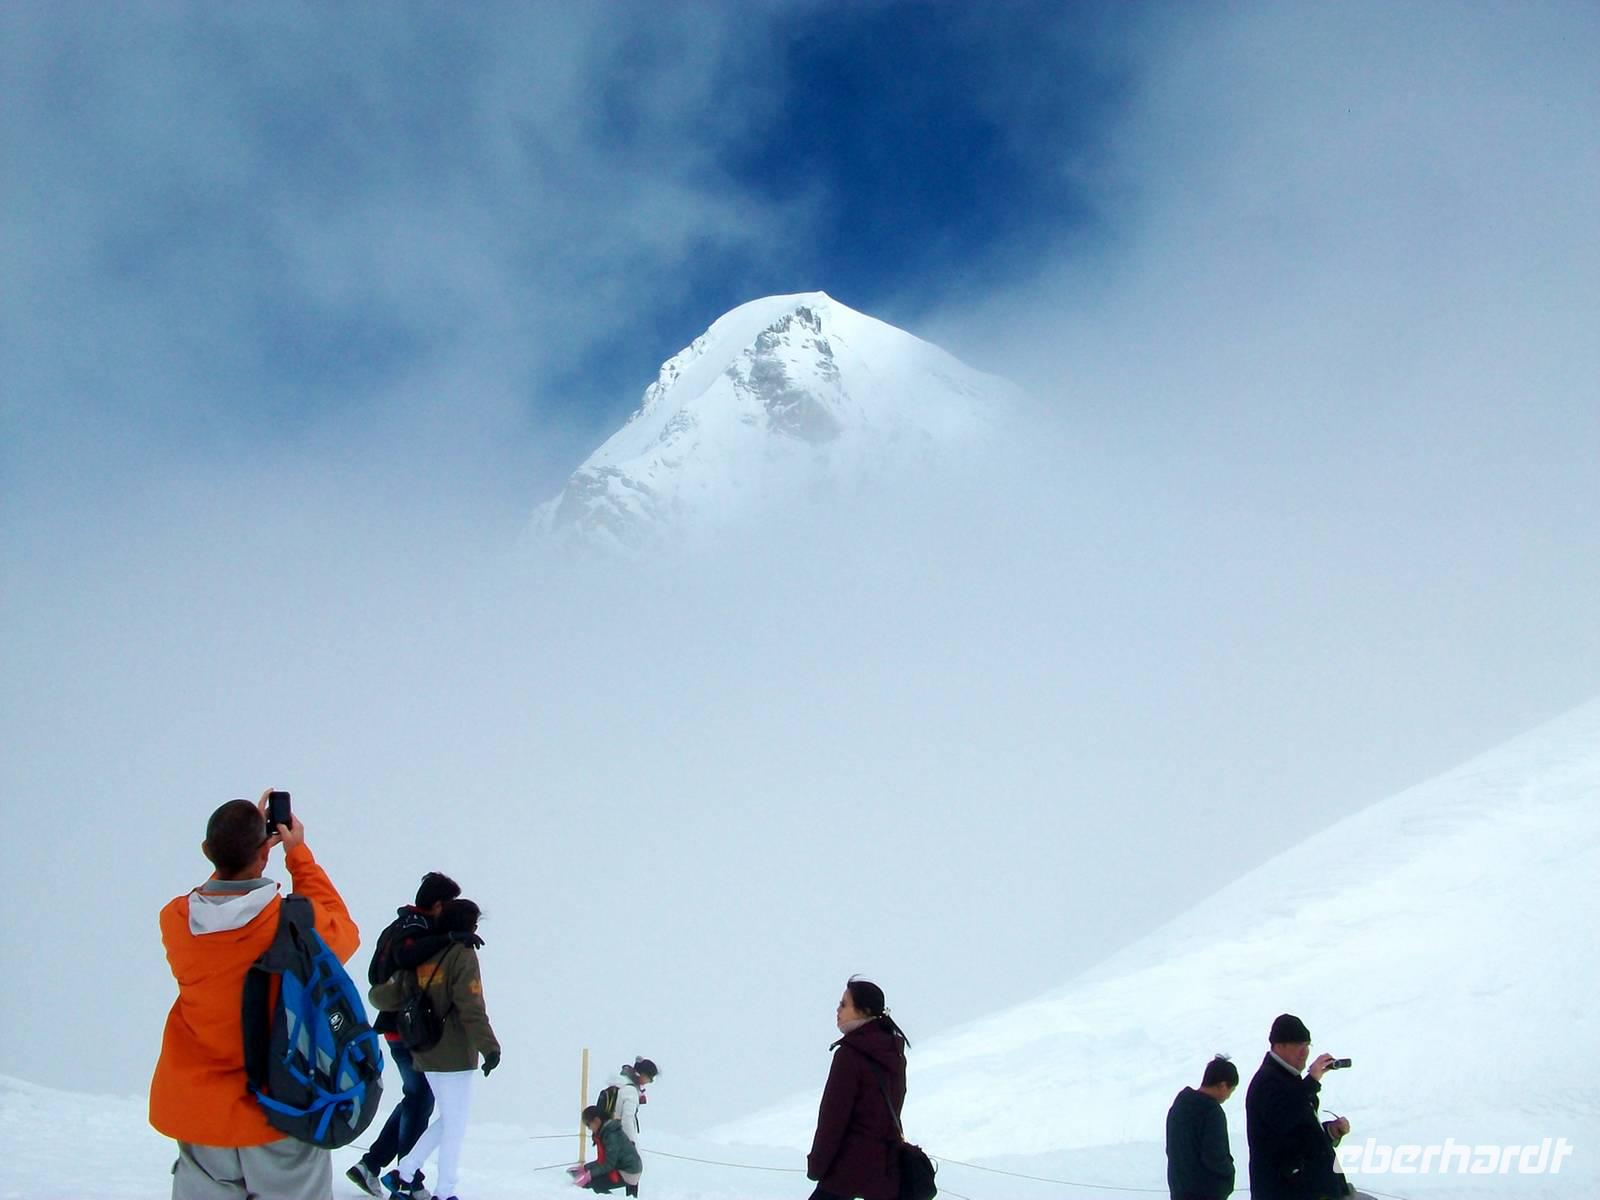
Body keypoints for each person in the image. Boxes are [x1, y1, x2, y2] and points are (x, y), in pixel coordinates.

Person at [150, 790, 360, 1200]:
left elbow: (215, 894)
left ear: (206, 850)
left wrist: (244, 841)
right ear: (266, 852)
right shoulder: (292, 922)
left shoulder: (175, 920)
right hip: (280, 1110)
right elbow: (346, 935)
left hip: (201, 1116)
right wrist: (297, 853)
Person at [346, 872, 481, 1197]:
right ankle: (407, 1180)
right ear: (437, 904)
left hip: (399, 1027)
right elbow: (405, 959)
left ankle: (373, 1165)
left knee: (416, 1097)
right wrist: (450, 936)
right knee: (420, 1101)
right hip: (408, 1028)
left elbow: (375, 973)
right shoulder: (416, 928)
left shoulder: (399, 925)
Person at [370, 898, 501, 1200]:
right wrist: (490, 1047)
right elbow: (471, 1006)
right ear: (467, 926)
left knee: (451, 1119)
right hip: (454, 1053)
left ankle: (404, 1173)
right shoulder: (462, 955)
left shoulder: (424, 954)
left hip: (424, 1049)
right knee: (455, 1126)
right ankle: (445, 1192)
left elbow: (384, 997)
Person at [806, 978, 909, 1200]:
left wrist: (817, 1165)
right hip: (884, 1172)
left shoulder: (849, 1055)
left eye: (844, 1004)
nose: (838, 1010)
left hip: (846, 1173)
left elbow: (833, 1119)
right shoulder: (894, 1052)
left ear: (863, 1011)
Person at [1245, 1014, 1361, 1200]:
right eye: (1299, 1045)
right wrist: (1311, 1082)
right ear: (1279, 1045)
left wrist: (1330, 1132)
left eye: (1307, 1045)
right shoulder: (1267, 1081)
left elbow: (1299, 1133)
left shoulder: (1289, 1079)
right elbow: (1283, 1121)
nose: (1305, 1051)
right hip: (1286, 1191)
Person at [1166, 1054, 1239, 1199]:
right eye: (1231, 1090)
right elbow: (1215, 1156)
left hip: (1179, 1189)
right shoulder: (1212, 1113)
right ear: (1223, 1085)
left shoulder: (1180, 1104)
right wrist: (1229, 1174)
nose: (1229, 1096)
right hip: (1205, 1193)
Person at [568, 1103, 644, 1194]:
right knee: (592, 1181)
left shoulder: (611, 1135)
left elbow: (608, 1165)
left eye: (589, 1125)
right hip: (624, 1167)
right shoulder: (607, 1131)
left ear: (596, 1121)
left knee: (593, 1185)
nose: (589, 1128)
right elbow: (603, 1161)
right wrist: (585, 1168)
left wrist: (589, 1175)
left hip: (629, 1172)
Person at [611, 1056, 659, 1158]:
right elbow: (627, 1120)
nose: (649, 1082)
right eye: (650, 1079)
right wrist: (632, 1144)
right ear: (643, 1075)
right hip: (620, 1139)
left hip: (609, 1135)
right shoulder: (630, 1091)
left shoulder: (620, 1085)